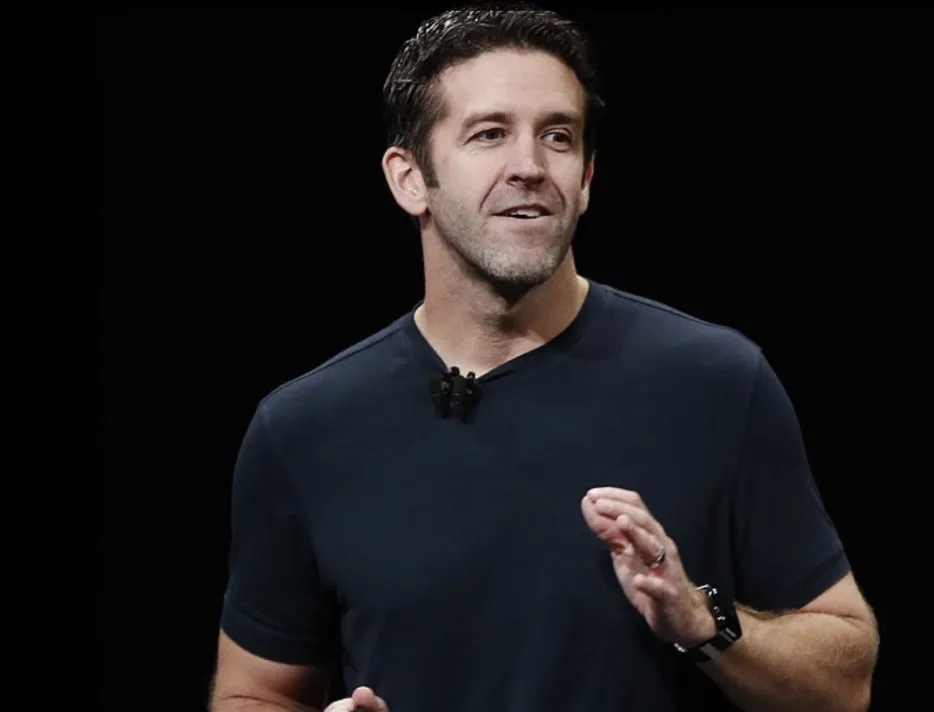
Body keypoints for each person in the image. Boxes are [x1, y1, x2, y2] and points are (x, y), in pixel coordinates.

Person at [208, 4, 879, 711]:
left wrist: (703, 624)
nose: (529, 167)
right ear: (409, 179)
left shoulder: (716, 383)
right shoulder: (304, 428)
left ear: (585, 177)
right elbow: (254, 693)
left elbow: (846, 683)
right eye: (489, 134)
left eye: (557, 136)